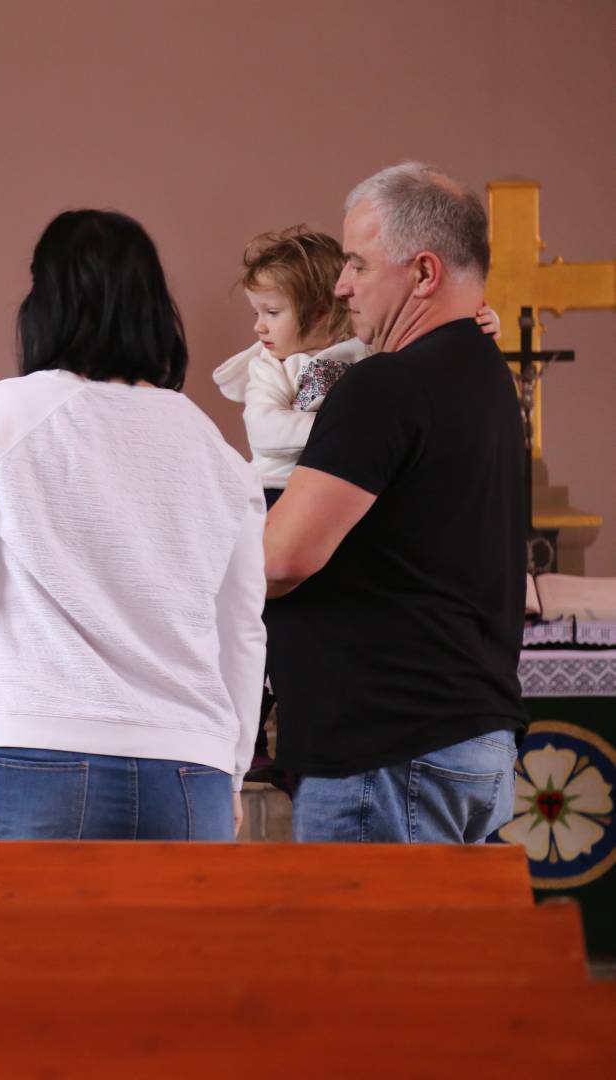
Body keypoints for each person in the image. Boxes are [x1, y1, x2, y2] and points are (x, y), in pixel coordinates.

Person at [0, 210, 266, 841]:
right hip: (187, 767)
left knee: (14, 946)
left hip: (28, 746)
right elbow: (242, 632)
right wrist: (229, 770)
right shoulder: (218, 454)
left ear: (46, 303)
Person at [264, 162, 527, 843]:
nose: (342, 285)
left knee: (359, 954)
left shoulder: (387, 386)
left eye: (357, 264)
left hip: (386, 752)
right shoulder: (488, 379)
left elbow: (281, 558)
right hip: (464, 741)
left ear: (423, 273)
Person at [214, 226, 501, 509]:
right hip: (277, 490)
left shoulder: (363, 346)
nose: (259, 325)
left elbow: (423, 358)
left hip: (350, 484)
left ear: (319, 311)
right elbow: (265, 430)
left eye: (272, 312)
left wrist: (481, 322)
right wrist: (349, 428)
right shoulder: (269, 367)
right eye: (257, 312)